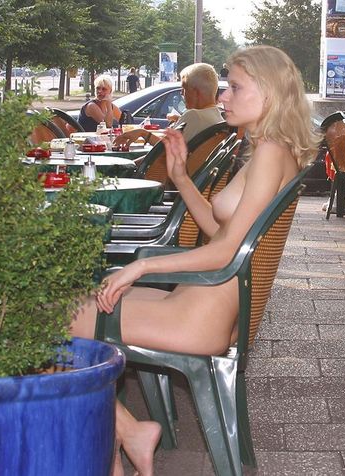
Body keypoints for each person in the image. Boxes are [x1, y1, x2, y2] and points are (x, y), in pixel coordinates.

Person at [70, 45, 317, 476]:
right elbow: (221, 233)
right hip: (200, 302)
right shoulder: (270, 150)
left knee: (51, 319)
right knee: (71, 306)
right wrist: (181, 178)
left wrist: (140, 266)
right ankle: (126, 431)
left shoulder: (270, 154)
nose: (223, 96)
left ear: (270, 92)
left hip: (199, 315)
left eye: (235, 87)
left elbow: (226, 250)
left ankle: (123, 433)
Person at [113, 63, 224, 148]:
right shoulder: (218, 117)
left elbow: (165, 149)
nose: (181, 93)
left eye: (184, 88)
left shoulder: (194, 115)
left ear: (196, 92)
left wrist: (143, 133)